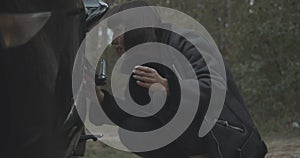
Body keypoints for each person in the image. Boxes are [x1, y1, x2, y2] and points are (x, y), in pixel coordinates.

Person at [94, 0, 267, 157]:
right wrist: (100, 97)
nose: (113, 41)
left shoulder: (185, 41)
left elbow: (215, 86)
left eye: (117, 30)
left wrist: (169, 86)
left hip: (228, 144)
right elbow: (133, 113)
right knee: (133, 130)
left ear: (136, 27)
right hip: (190, 143)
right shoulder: (142, 66)